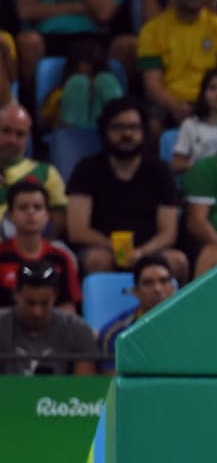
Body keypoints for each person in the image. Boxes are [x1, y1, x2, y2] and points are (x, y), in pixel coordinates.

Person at [66, 98, 185, 282]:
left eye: (134, 127)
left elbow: (168, 232)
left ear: (144, 132)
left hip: (149, 250)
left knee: (178, 261)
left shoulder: (161, 170)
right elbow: (78, 230)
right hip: (103, 248)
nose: (127, 134)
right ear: (105, 131)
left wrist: (141, 253)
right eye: (118, 128)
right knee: (97, 260)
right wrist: (117, 249)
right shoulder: (86, 169)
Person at [136, 0, 217, 130]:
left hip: (211, 100)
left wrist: (205, 105)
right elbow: (152, 84)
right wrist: (176, 107)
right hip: (169, 104)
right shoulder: (152, 30)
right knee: (153, 122)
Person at [0, 260, 98, 376]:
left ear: (55, 295)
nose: (37, 312)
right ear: (15, 294)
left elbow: (84, 389)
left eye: (44, 304)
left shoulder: (78, 330)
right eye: (30, 303)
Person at [0, 181, 80, 311]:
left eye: (37, 207)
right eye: (23, 207)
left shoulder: (62, 258)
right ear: (10, 216)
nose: (31, 212)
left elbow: (68, 309)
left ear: (47, 215)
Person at [0, 103, 68, 240]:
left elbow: (60, 215)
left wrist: (39, 247)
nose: (12, 140)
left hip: (27, 249)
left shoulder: (46, 172)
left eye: (20, 134)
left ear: (28, 138)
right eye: (6, 131)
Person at [99, 253, 176, 373]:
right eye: (148, 283)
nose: (157, 289)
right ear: (136, 291)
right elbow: (113, 385)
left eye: (164, 281)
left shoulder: (189, 325)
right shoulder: (115, 333)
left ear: (173, 287)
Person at [170, 69, 217, 173]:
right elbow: (176, 164)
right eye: (213, 88)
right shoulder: (190, 125)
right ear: (203, 93)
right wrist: (198, 167)